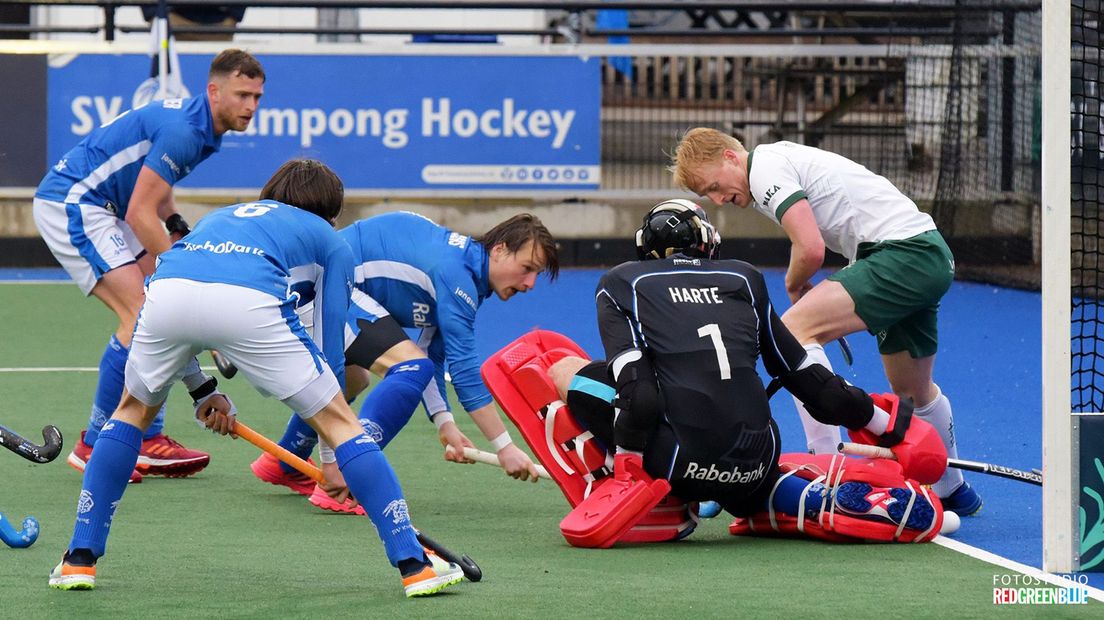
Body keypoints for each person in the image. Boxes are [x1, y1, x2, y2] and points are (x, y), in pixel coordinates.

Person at [48, 159, 464, 598]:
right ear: (331, 214)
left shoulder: (222, 217)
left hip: (167, 290)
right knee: (342, 423)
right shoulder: (329, 239)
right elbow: (331, 353)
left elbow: (175, 305)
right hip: (249, 300)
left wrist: (203, 390)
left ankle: (79, 560)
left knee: (131, 411)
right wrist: (330, 458)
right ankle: (414, 565)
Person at [544, 199, 947, 541]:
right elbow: (812, 383)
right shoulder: (744, 277)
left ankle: (659, 498)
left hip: (674, 463)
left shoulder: (622, 282)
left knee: (565, 369)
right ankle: (794, 498)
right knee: (749, 467)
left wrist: (629, 466)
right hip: (754, 462)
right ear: (706, 240)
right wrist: (888, 424)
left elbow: (640, 395)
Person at [666, 128, 981, 517]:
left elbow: (811, 248)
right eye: (708, 196)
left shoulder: (763, 168)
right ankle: (955, 490)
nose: (718, 200)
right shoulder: (778, 162)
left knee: (793, 333)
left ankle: (827, 467)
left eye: (714, 186)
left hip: (901, 254)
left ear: (731, 157)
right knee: (912, 392)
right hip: (927, 254)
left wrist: (794, 283)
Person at [33, 49, 265, 483]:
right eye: (242, 95)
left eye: (256, 97)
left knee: (158, 308)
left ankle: (146, 436)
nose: (250, 107)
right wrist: (185, 267)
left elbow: (156, 188)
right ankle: (97, 444)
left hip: (110, 208)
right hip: (77, 203)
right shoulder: (186, 131)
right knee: (141, 313)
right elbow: (142, 213)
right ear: (214, 91)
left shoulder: (201, 126)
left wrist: (176, 225)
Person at [253, 211, 558, 511]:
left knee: (357, 377)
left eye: (536, 274)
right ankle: (349, 475)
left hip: (325, 282)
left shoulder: (465, 271)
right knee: (410, 367)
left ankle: (286, 462)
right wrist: (504, 447)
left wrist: (445, 423)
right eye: (527, 268)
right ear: (500, 249)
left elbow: (431, 351)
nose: (530, 283)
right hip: (324, 285)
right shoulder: (456, 275)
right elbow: (464, 374)